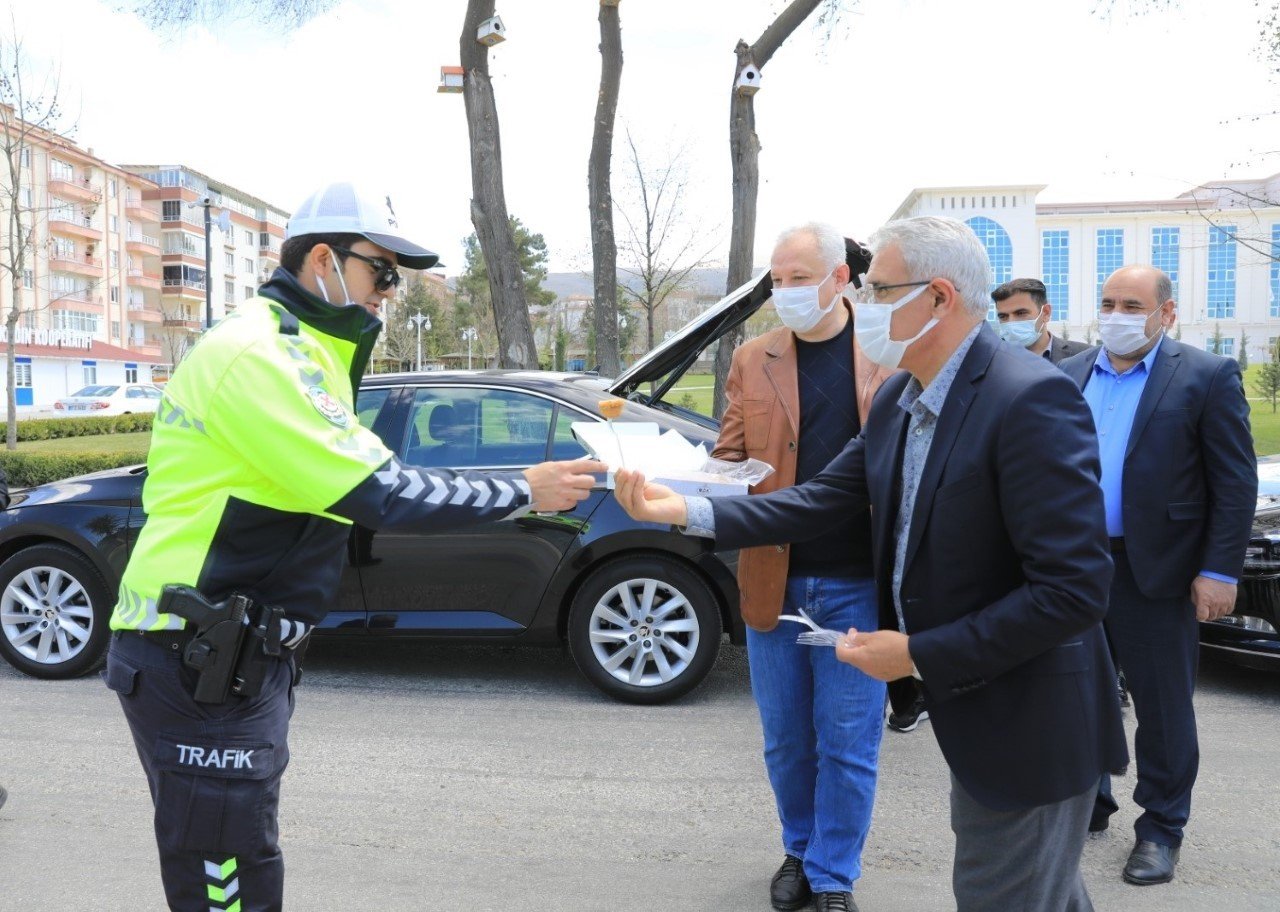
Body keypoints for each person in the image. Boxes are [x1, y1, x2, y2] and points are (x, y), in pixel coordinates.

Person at [103, 181, 603, 912]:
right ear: (323, 261)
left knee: (238, 857)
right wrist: (525, 488)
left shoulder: (303, 351)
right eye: (383, 272)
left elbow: (380, 479)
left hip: (225, 653)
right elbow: (383, 495)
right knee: (228, 883)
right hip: (196, 653)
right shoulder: (262, 356)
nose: (391, 293)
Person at [614, 215, 1128, 912]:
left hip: (1030, 718)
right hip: (980, 710)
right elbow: (819, 498)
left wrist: (918, 653)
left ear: (939, 298)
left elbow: (1073, 591)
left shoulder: (1028, 397)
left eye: (881, 289)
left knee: (1002, 895)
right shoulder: (903, 397)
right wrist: (680, 510)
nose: (867, 301)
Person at [1060, 265, 1256, 885]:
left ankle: (1161, 827)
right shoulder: (1066, 374)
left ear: (1166, 314)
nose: (1116, 314)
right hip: (1070, 565)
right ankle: (1088, 802)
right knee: (1074, 693)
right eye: (1108, 301)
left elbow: (1234, 482)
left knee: (1163, 707)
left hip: (1157, 569)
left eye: (1132, 304)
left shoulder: (1204, 375)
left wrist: (1220, 569)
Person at [718, 223, 893, 912]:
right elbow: (729, 456)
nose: (785, 291)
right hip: (774, 580)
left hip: (860, 582)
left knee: (848, 746)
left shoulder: (890, 350)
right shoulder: (752, 357)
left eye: (799, 277)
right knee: (788, 741)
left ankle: (832, 876)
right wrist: (693, 478)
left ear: (840, 277)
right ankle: (798, 846)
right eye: (777, 280)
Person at [992, 278, 1091, 364]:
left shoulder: (1085, 356)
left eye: (1020, 313)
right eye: (1003, 316)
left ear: (1046, 313)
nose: (1011, 322)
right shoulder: (992, 362)